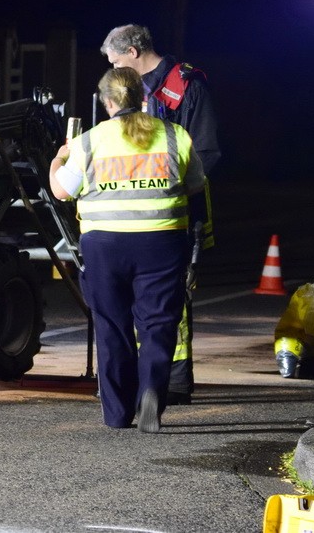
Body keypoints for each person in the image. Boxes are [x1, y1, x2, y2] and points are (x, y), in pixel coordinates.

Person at [50, 67, 206, 433]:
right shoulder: (174, 136)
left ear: (107, 102)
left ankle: (117, 413)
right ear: (143, 97)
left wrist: (59, 159)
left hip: (105, 246)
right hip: (162, 242)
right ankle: (152, 390)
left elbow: (62, 191)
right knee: (158, 323)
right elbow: (196, 185)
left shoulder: (89, 141)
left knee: (112, 327)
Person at [100, 23, 219, 405]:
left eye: (117, 61)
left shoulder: (186, 87)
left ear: (133, 52)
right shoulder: (127, 89)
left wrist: (170, 190)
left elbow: (207, 152)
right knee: (139, 299)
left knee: (173, 297)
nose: (114, 70)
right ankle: (143, 380)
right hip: (131, 212)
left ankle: (173, 381)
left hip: (176, 210)